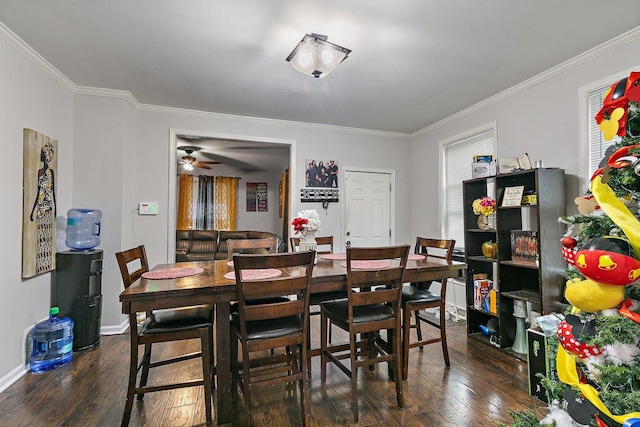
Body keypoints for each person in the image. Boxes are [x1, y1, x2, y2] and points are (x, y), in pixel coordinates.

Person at [30, 142, 56, 274]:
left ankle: (45, 264)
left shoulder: (51, 172)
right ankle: (40, 266)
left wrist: (55, 210)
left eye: (42, 153)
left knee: (47, 239)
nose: (40, 155)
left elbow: (53, 193)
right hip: (41, 210)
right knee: (40, 239)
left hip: (48, 209)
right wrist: (33, 210)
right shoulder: (39, 172)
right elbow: (38, 193)